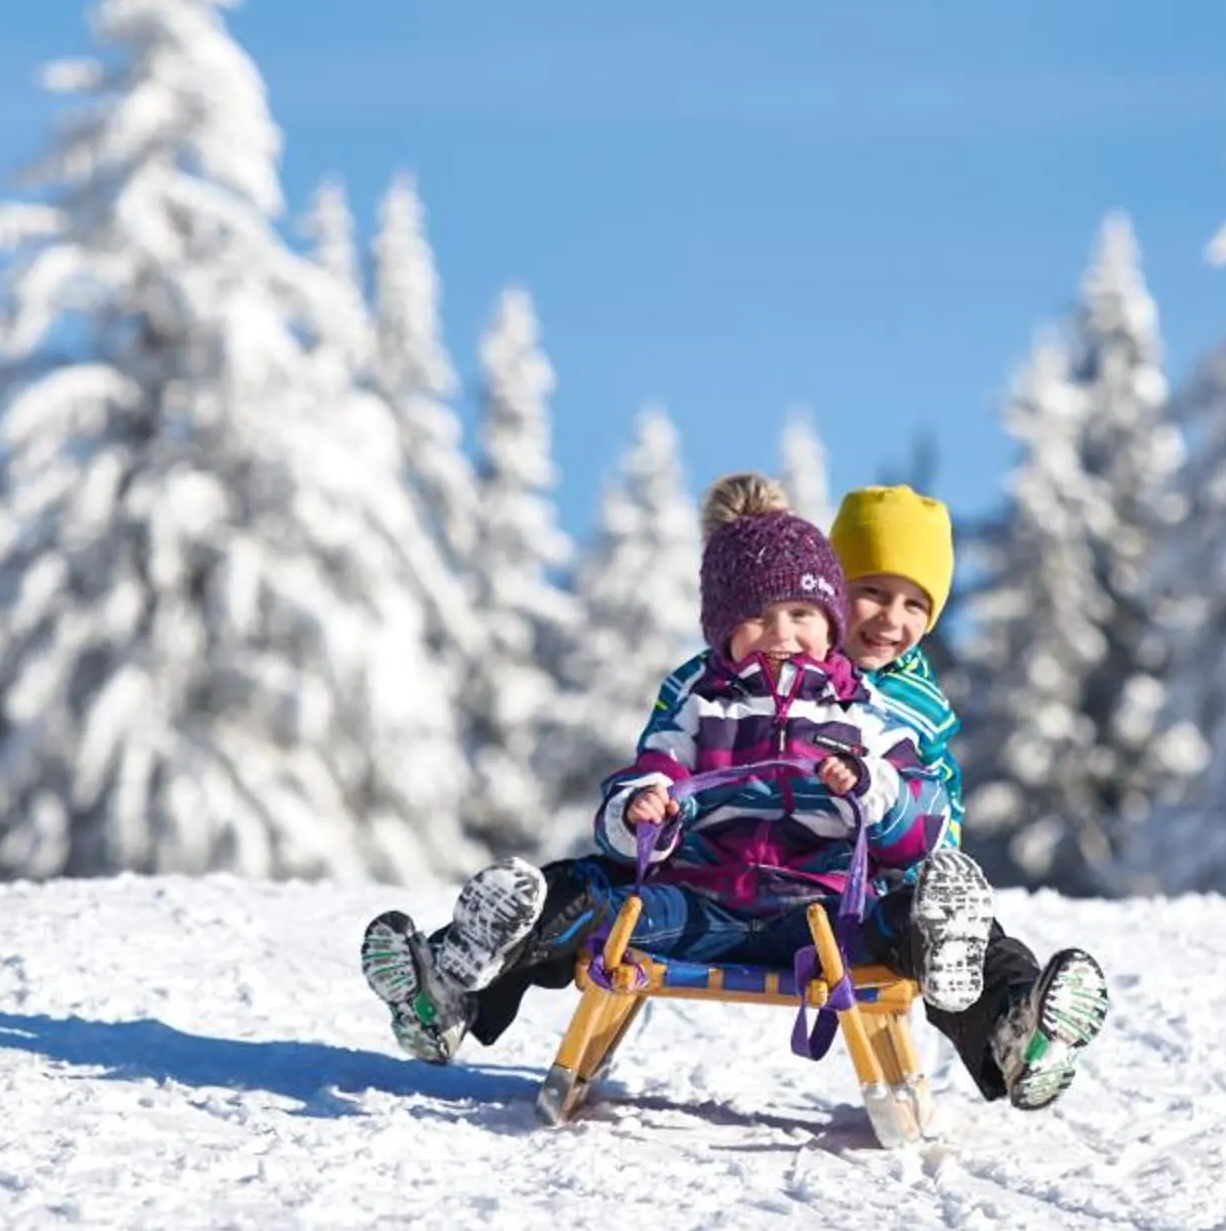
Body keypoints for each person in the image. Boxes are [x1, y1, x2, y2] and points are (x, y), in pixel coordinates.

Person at [361, 474, 995, 1067]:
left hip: (820, 911)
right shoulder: (702, 695)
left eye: (801, 615)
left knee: (912, 915)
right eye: (757, 617)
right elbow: (653, 767)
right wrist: (641, 807)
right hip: (701, 898)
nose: (781, 634)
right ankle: (452, 975)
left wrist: (873, 792)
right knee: (590, 894)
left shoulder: (868, 708)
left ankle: (977, 987)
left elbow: (929, 807)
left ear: (826, 619)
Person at [823, 484, 1110, 1113]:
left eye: (914, 603)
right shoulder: (795, 680)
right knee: (938, 935)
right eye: (871, 590)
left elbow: (933, 807)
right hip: (804, 889)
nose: (890, 619)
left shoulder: (919, 708)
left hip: (884, 893)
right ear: (830, 587)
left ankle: (1022, 1023)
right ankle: (1008, 1022)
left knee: (957, 936)